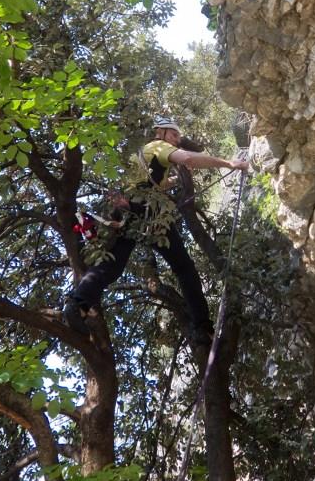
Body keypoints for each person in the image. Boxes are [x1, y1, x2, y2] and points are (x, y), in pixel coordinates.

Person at [63, 118, 248, 344]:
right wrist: (229, 164)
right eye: (173, 135)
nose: (176, 141)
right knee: (184, 268)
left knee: (112, 265)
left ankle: (78, 304)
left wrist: (172, 179)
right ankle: (202, 328)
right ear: (160, 132)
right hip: (149, 212)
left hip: (128, 210)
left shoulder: (143, 156)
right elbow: (188, 158)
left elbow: (152, 183)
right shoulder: (158, 146)